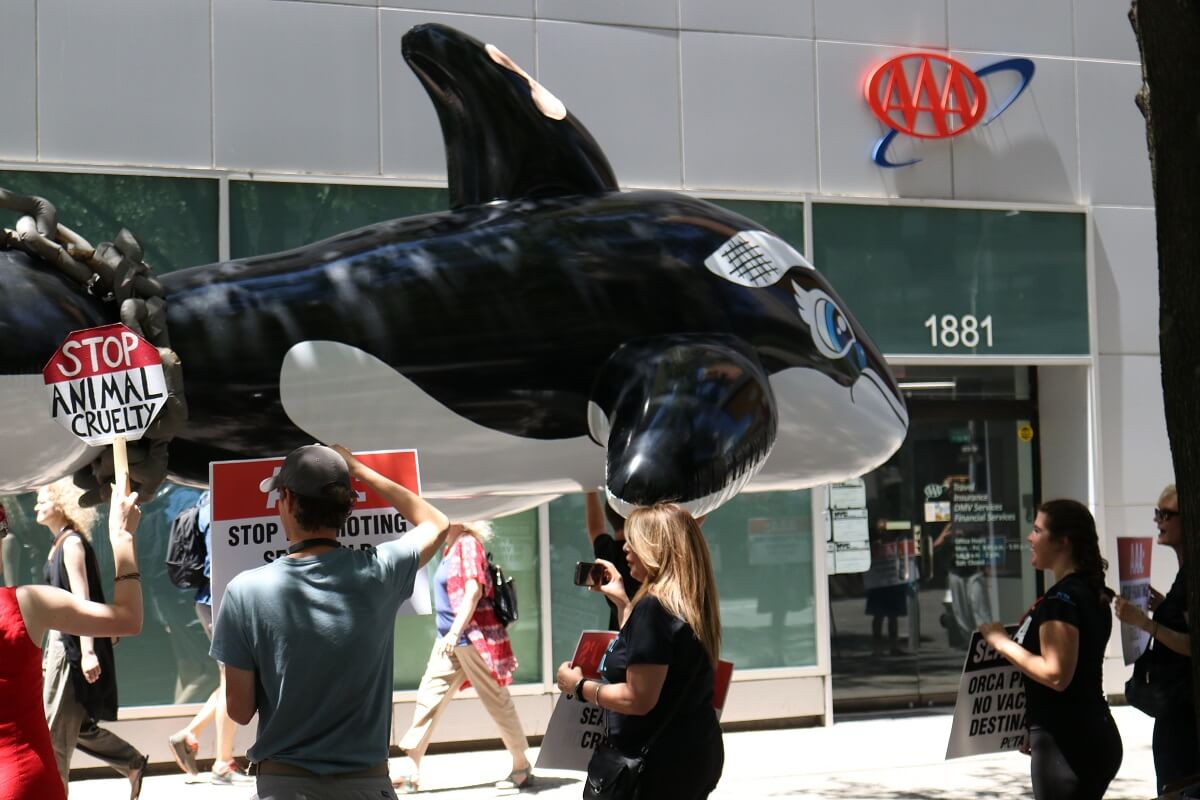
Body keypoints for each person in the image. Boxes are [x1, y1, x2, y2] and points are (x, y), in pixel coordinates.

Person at [211, 444, 451, 800]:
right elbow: (437, 523)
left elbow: (240, 711)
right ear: (346, 507)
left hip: (283, 786)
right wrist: (359, 469)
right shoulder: (380, 571)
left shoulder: (245, 591)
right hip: (367, 785)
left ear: (288, 500)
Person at [556, 503, 724, 799]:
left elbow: (638, 698)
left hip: (656, 766)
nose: (626, 550)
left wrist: (579, 687)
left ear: (656, 549)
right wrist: (623, 602)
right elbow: (651, 654)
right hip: (691, 753)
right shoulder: (688, 600)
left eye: (634, 542)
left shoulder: (655, 608)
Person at [1, 481, 143, 800]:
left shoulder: (70, 544)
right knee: (61, 732)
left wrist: (88, 650)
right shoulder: (25, 604)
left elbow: (83, 594)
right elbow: (127, 618)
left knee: (62, 730)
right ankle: (131, 761)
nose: (37, 507)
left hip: (67, 646)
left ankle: (131, 761)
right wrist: (122, 538)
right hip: (24, 781)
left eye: (43, 500)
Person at [980, 500, 1121, 800]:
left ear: (1063, 542)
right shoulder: (1088, 591)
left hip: (1069, 745)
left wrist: (1000, 642)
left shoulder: (1062, 600)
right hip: (1085, 734)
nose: (1029, 538)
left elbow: (1056, 674)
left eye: (1037, 530)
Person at [392, 520, 532, 793]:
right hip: (449, 641)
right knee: (429, 697)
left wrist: (455, 633)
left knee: (496, 700)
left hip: (470, 638)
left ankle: (521, 764)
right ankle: (411, 768)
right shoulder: (449, 547)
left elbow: (473, 591)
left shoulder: (468, 544)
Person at [167, 490, 254, 785]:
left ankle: (190, 734)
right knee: (232, 679)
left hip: (211, 598)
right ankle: (222, 763)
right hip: (221, 600)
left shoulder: (205, 499)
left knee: (230, 678)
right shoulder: (221, 501)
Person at [1115, 484, 1197, 793]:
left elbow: (1194, 646)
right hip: (1176, 710)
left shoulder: (1192, 573)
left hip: (1184, 715)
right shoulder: (1185, 571)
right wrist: (1163, 607)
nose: (1158, 521)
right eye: (1156, 514)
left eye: (1167, 514)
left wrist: (1146, 624)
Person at [586, 491, 640, 631]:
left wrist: (590, 490)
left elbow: (595, 528)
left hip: (620, 639)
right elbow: (690, 528)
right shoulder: (648, 557)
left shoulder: (608, 552)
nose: (627, 549)